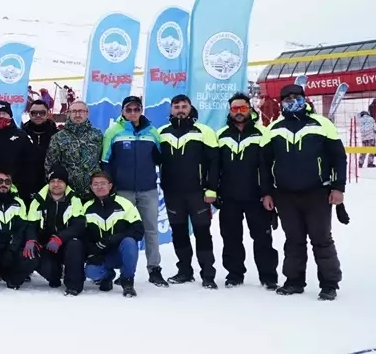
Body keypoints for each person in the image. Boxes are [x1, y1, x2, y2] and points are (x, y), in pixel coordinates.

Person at [266, 84, 346, 301]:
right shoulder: (273, 128)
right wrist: (267, 192)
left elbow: (339, 157)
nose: (293, 101)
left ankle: (329, 284)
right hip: (285, 194)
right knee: (293, 239)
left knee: (321, 239)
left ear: (304, 98)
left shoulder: (322, 124)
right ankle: (294, 281)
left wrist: (338, 187)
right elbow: (264, 164)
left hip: (317, 193)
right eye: (288, 98)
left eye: (297, 97)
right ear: (281, 103)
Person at [101, 95, 167, 287]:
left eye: (136, 109)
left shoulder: (152, 132)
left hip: (148, 190)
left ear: (141, 110)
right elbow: (105, 162)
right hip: (123, 191)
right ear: (122, 111)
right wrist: (110, 188)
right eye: (128, 109)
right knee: (124, 231)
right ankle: (125, 271)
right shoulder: (114, 132)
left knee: (151, 230)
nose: (132, 113)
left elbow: (161, 159)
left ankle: (154, 269)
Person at [214, 93, 278, 289]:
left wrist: (268, 193)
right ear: (230, 111)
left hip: (256, 197)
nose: (239, 112)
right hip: (229, 197)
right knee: (231, 238)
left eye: (243, 108)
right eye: (235, 109)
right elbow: (215, 167)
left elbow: (269, 167)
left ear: (250, 109)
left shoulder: (262, 134)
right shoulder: (221, 135)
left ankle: (268, 276)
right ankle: (234, 274)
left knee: (263, 238)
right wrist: (214, 191)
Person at [157, 94, 219, 288]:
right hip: (173, 193)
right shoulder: (161, 132)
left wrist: (212, 189)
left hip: (198, 193)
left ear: (190, 108)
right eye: (176, 106)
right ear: (171, 109)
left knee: (202, 232)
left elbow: (215, 163)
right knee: (179, 233)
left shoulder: (204, 131)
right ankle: (184, 271)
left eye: (184, 106)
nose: (180, 109)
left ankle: (208, 274)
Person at [79, 171, 143, 298]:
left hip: (121, 252)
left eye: (103, 183)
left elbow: (138, 230)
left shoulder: (124, 204)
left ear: (110, 185)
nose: (100, 187)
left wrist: (114, 238)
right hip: (102, 254)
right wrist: (92, 252)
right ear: (91, 187)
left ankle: (127, 281)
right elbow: (82, 234)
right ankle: (107, 276)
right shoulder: (86, 207)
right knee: (91, 272)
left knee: (130, 242)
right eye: (95, 184)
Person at [27, 166, 86, 294]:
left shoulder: (74, 200)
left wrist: (61, 237)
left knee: (76, 245)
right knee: (47, 268)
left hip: (66, 244)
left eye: (60, 181)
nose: (56, 184)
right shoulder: (38, 201)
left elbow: (79, 226)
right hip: (46, 245)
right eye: (53, 181)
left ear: (66, 183)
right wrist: (31, 239)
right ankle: (55, 274)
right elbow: (31, 224)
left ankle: (73, 286)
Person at [44, 100, 103, 199]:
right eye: (74, 111)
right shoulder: (58, 137)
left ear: (87, 113)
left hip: (93, 191)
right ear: (68, 113)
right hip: (68, 192)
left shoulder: (97, 135)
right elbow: (51, 164)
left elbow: (103, 160)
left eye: (81, 111)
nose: (77, 114)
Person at [0, 101, 34, 197]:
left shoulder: (21, 136)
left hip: (17, 187)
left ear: (10, 116)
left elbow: (30, 162)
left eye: (4, 113)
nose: (1, 116)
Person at [22, 99, 58, 193]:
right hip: (25, 185)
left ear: (48, 113)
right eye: (34, 113)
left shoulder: (57, 135)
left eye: (42, 113)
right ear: (29, 114)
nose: (38, 115)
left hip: (52, 185)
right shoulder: (21, 135)